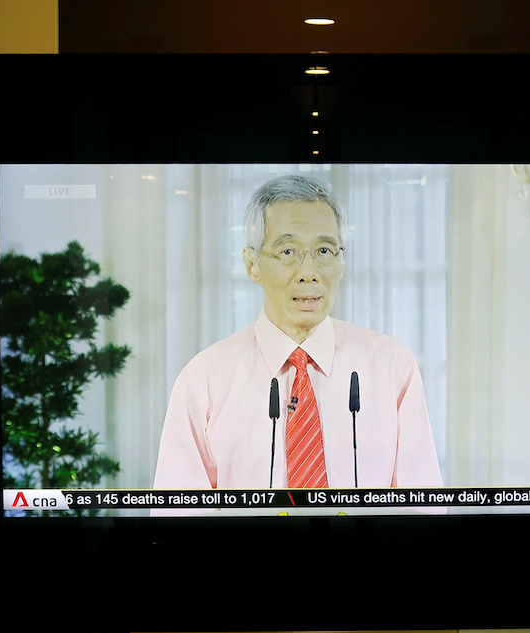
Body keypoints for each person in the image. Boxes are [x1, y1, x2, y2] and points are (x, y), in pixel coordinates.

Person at [154, 174, 442, 495]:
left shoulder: (393, 368)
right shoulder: (203, 381)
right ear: (252, 265)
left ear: (342, 263)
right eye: (288, 251)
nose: (309, 273)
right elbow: (178, 518)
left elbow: (423, 507)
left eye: (323, 250)